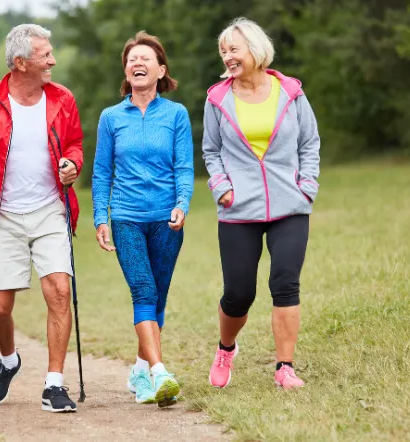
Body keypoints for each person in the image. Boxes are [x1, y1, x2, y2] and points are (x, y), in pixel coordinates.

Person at [0, 24, 83, 413]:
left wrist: (72, 164)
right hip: (0, 214)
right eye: (45, 55)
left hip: (49, 209)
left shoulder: (62, 99)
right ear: (20, 62)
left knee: (59, 289)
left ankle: (54, 384)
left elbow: (74, 144)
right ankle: (9, 360)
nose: (53, 60)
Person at [203, 17, 320, 390]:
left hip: (290, 204)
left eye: (234, 49)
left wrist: (307, 186)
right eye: (224, 51)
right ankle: (226, 348)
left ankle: (284, 367)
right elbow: (211, 150)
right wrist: (222, 186)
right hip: (238, 208)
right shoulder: (217, 99)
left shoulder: (291, 92)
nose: (228, 57)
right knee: (239, 294)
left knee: (285, 283)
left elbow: (309, 142)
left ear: (255, 49)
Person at [91, 31, 193, 407]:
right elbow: (102, 172)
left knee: (158, 296)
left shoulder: (176, 114)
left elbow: (184, 166)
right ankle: (160, 371)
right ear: (126, 70)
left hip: (168, 220)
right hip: (128, 218)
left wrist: (183, 202)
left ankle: (140, 370)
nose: (137, 63)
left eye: (145, 58)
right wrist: (101, 217)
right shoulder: (111, 117)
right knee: (143, 291)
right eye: (132, 58)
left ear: (160, 70)